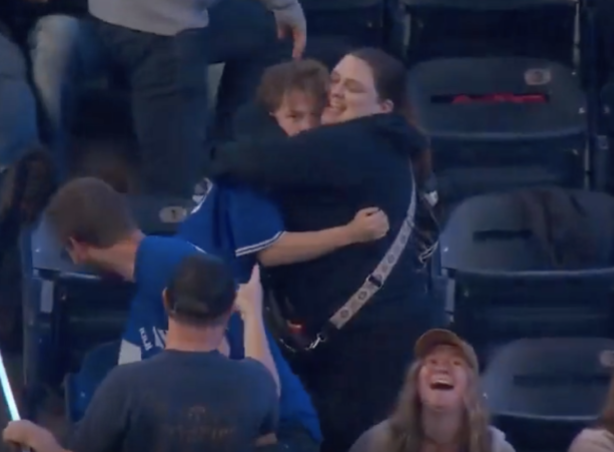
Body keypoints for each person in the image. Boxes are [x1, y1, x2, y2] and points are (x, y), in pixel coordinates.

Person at [209, 47, 444, 452]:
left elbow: (236, 160)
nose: (335, 92)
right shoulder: (388, 144)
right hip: (380, 331)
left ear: (382, 106)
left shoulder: (353, 140)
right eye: (335, 80)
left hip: (366, 345)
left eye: (352, 87)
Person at [41, 177, 384, 451]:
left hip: (281, 432)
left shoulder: (177, 268)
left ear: (75, 246)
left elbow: (255, 385)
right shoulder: (151, 274)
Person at [25, 0, 307, 192]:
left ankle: (226, 145)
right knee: (175, 193)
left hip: (103, 9)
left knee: (264, 29)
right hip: (164, 31)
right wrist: (286, 4)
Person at [2, 253, 280, 452]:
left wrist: (38, 438)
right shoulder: (256, 384)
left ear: (166, 299)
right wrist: (253, 313)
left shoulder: (127, 384)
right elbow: (266, 382)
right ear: (230, 309)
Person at [348, 329, 514, 452]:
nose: (442, 368)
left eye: (456, 363)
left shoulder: (495, 447)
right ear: (416, 382)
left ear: (470, 388)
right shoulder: (376, 443)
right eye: (432, 361)